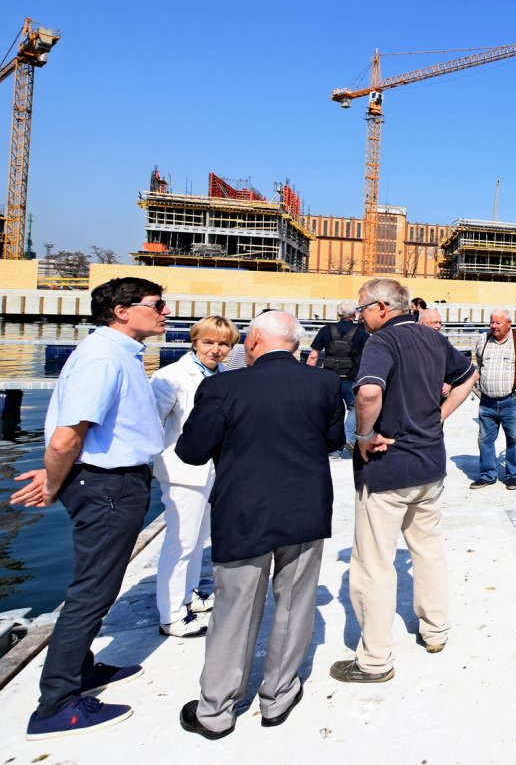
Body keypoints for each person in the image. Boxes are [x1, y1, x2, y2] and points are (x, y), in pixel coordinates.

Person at [174, 311, 344, 739]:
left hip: (244, 512)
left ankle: (216, 710)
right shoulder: (324, 384)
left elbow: (192, 452)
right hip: (305, 509)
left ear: (251, 343)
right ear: (294, 344)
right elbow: (333, 441)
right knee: (295, 603)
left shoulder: (221, 387)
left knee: (235, 610)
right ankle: (279, 695)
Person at [12, 277, 168, 739]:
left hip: (106, 479)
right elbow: (65, 436)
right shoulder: (103, 359)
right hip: (108, 486)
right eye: (156, 304)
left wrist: (59, 470)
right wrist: (55, 479)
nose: (163, 312)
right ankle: (56, 705)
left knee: (93, 583)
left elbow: (75, 438)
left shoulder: (115, 355)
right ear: (122, 311)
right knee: (92, 593)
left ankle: (79, 671)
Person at [332, 279, 476, 683]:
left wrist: (363, 437)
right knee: (427, 551)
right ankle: (435, 631)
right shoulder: (432, 338)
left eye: (362, 309)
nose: (359, 317)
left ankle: (375, 659)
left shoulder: (381, 343)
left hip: (388, 468)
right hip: (430, 465)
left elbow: (369, 394)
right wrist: (440, 415)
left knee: (373, 564)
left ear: (381, 307)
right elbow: (469, 375)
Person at [149, 315, 238, 639]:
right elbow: (152, 424)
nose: (215, 350)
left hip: (212, 470)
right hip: (182, 470)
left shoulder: (225, 375)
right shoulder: (170, 377)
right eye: (209, 342)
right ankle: (171, 614)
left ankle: (189, 596)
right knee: (181, 542)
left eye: (223, 344)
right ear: (195, 341)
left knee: (198, 539)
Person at [472, 308, 516, 491]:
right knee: (484, 439)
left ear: (509, 323)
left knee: (515, 439)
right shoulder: (483, 339)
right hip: (487, 401)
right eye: (491, 322)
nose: (493, 326)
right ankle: (487, 475)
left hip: (514, 401)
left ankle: (512, 475)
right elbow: (479, 362)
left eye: (498, 323)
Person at [309, 300, 368, 448]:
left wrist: (309, 376)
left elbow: (314, 355)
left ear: (338, 314)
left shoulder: (326, 329)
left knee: (330, 409)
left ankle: (330, 443)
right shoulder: (361, 331)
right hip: (352, 377)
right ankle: (348, 439)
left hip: (329, 378)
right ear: (354, 314)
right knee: (354, 407)